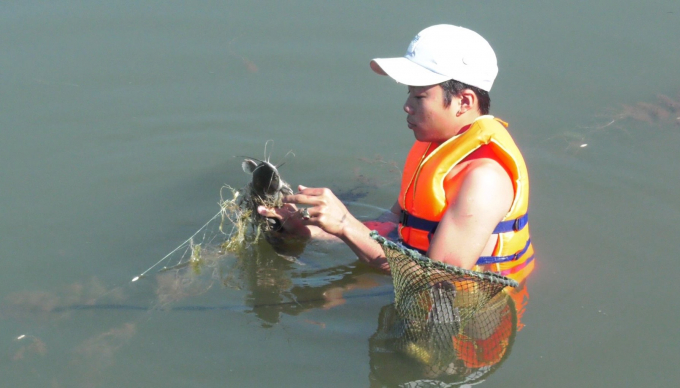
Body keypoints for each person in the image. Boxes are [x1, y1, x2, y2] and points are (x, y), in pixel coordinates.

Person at [257, 24, 534, 283]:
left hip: (468, 325)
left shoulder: (484, 179)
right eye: (409, 93)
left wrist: (346, 225)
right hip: (414, 296)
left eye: (420, 96)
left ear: (464, 101)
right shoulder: (436, 148)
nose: (407, 106)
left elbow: (437, 281)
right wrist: (312, 231)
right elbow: (393, 230)